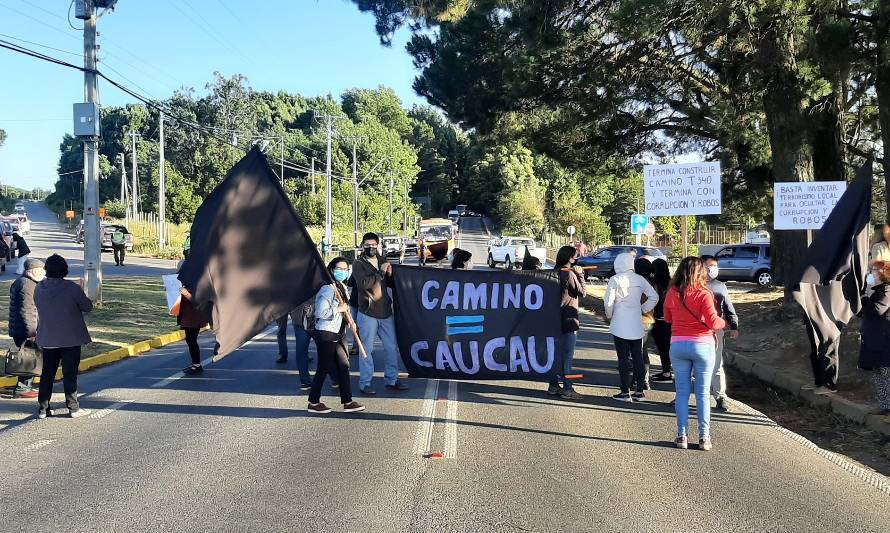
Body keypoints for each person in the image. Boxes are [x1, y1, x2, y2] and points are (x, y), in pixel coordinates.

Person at [664, 256, 726, 451]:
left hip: (678, 344)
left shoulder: (672, 292)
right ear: (702, 273)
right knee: (702, 394)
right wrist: (725, 323)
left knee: (682, 393)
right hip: (703, 346)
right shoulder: (704, 294)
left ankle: (681, 436)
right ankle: (704, 438)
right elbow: (714, 322)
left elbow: (667, 318)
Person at [33, 254, 93, 419]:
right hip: (70, 338)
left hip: (48, 336)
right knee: (70, 373)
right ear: (64, 270)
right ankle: (73, 407)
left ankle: (43, 408)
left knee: (47, 373)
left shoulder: (39, 288)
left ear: (47, 270)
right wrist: (83, 289)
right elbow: (87, 307)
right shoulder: (72, 288)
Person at [349, 232, 408, 395]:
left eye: (373, 245)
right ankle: (365, 383)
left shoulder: (383, 261)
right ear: (362, 245)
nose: (371, 248)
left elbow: (391, 284)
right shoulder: (358, 263)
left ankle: (392, 378)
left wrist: (390, 275)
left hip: (386, 312)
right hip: (368, 312)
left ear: (378, 245)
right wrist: (381, 273)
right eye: (367, 245)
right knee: (366, 349)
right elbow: (363, 284)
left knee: (391, 347)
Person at [307, 257, 366, 414]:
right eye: (339, 269)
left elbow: (345, 309)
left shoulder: (342, 287)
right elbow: (321, 313)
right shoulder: (328, 288)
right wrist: (339, 310)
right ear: (331, 270)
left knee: (344, 366)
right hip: (326, 333)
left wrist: (350, 322)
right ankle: (313, 402)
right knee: (324, 368)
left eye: (345, 269)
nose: (342, 271)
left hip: (339, 332)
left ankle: (347, 401)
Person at [604, 252, 658, 402]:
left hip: (619, 322)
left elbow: (608, 302)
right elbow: (654, 296)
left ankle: (624, 391)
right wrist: (643, 308)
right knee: (638, 357)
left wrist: (609, 315)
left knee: (623, 358)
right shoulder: (640, 279)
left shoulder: (615, 279)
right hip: (636, 322)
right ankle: (639, 392)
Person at [548, 246, 588, 399]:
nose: (576, 259)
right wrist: (581, 275)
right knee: (567, 356)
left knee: (555, 355)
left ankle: (553, 385)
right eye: (574, 256)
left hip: (552, 318)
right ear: (569, 258)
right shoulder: (569, 273)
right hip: (568, 318)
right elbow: (582, 292)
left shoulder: (553, 271)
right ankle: (567, 388)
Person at [703, 255, 740, 412]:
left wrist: (734, 326)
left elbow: (728, 307)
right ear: (701, 267)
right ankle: (682, 396)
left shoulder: (720, 286)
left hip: (716, 331)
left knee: (717, 365)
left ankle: (720, 397)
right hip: (695, 331)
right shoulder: (691, 285)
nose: (713, 269)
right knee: (692, 366)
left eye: (715, 266)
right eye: (710, 265)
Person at [7, 257, 44, 399]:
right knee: (28, 358)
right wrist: (32, 332)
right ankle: (23, 388)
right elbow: (28, 310)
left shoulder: (23, 282)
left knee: (29, 357)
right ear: (33, 271)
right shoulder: (28, 285)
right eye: (41, 270)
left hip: (21, 328)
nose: (43, 273)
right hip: (25, 330)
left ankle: (25, 386)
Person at [860, 260, 890, 417]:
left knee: (886, 374)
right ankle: (884, 406)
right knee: (877, 373)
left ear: (882, 274)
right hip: (874, 339)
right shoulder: (877, 291)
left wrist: (864, 297)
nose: (870, 273)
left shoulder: (887, 291)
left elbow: (877, 310)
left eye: (873, 271)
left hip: (884, 341)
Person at [176, 258, 210, 375]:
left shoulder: (197, 282)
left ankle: (197, 365)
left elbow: (198, 301)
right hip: (186, 314)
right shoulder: (184, 281)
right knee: (190, 339)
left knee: (191, 339)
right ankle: (195, 364)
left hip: (194, 315)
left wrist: (186, 293)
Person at [276, 301, 314, 391]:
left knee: (304, 349)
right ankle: (283, 354)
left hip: (305, 314)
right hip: (302, 314)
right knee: (282, 331)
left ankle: (305, 381)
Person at [650, 258, 673, 382]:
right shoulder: (672, 283)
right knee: (669, 347)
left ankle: (666, 372)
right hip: (671, 320)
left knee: (662, 348)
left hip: (658, 319)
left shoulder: (654, 284)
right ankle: (667, 371)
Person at [634, 257, 656, 389]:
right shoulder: (652, 283)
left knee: (636, 352)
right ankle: (645, 379)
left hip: (638, 320)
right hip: (649, 320)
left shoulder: (639, 283)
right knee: (644, 351)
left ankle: (639, 380)